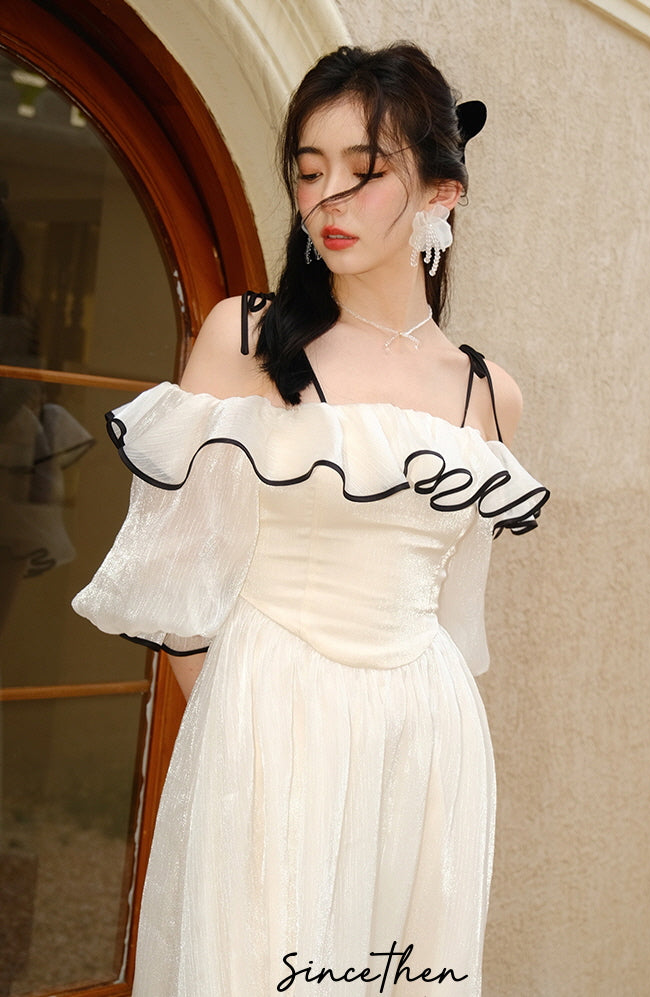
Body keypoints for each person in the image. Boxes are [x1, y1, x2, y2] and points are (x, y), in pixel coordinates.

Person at [73, 43, 549, 996]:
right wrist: (248, 726)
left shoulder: (489, 393)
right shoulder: (246, 338)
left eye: (364, 172)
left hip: (424, 739)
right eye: (308, 170)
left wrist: (401, 722)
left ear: (442, 191)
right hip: (270, 724)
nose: (328, 197)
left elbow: (457, 610)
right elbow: (181, 590)